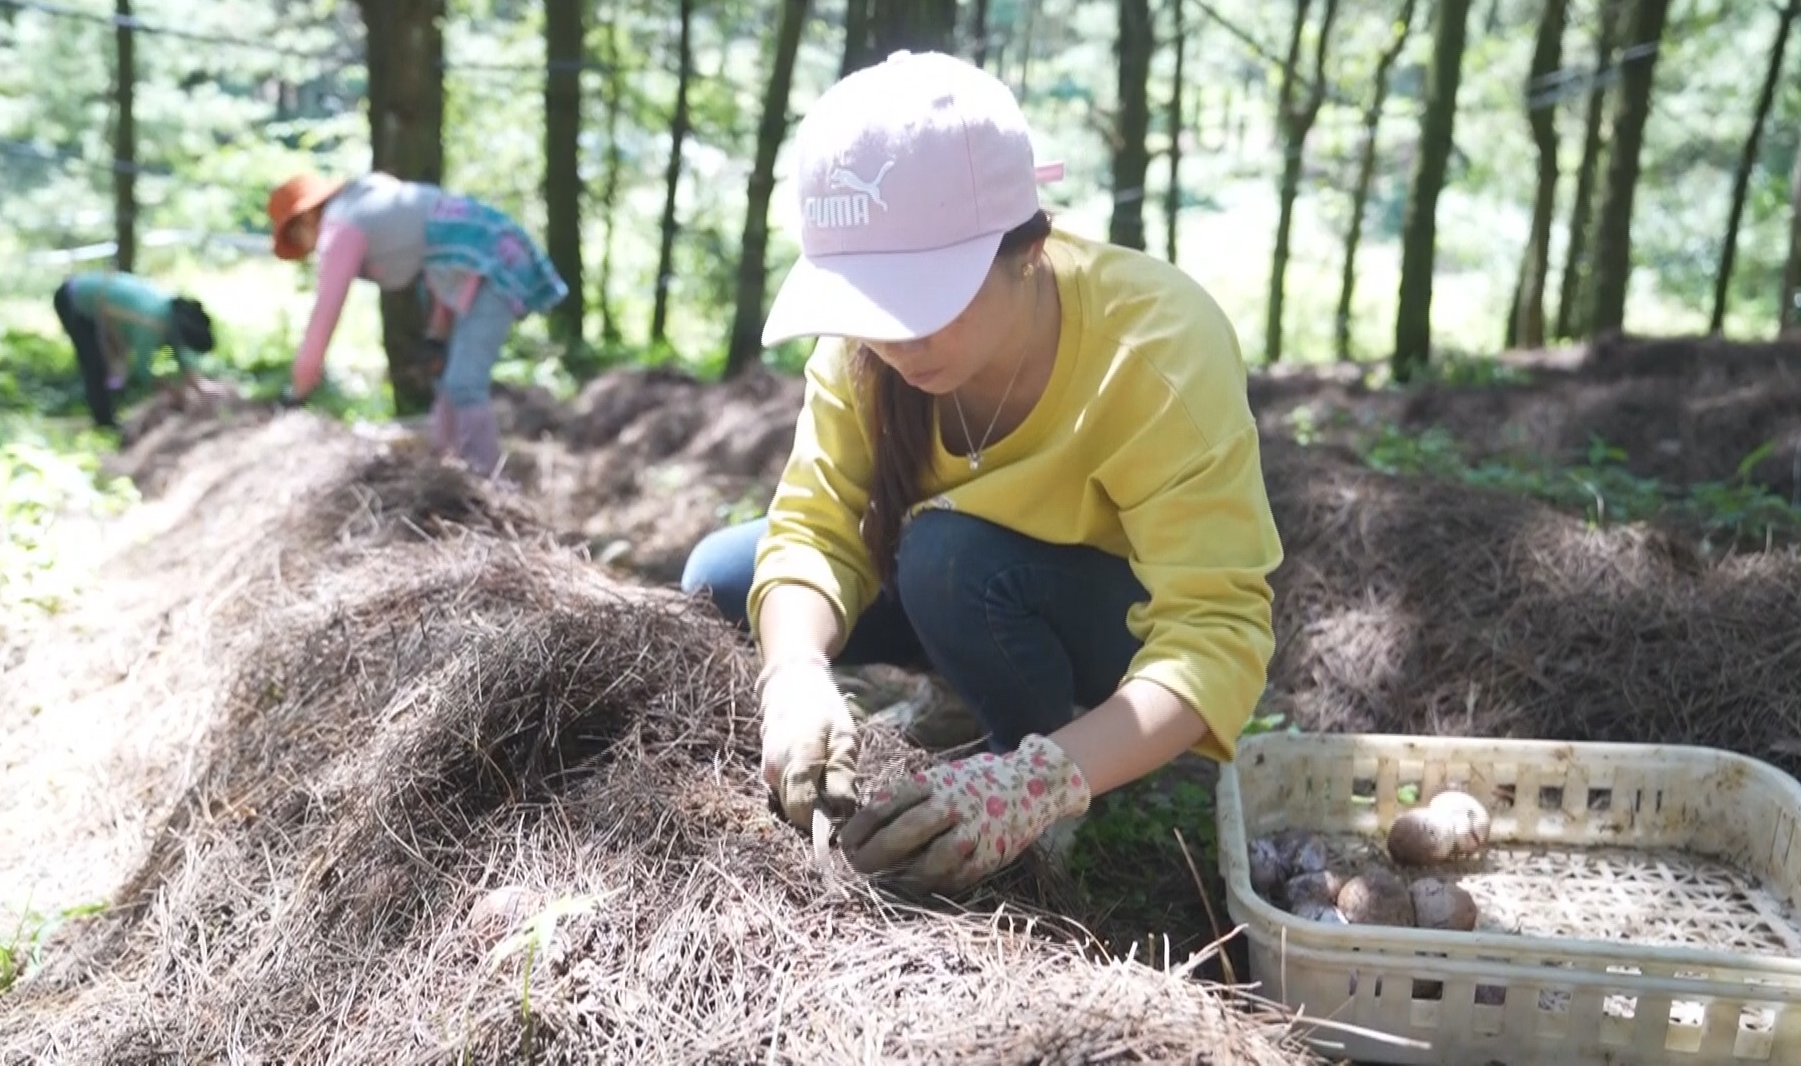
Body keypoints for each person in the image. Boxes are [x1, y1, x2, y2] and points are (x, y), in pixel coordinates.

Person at [678, 51, 1283, 897]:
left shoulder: (1156, 346)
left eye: (924, 301)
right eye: (868, 302)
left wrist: (1038, 783)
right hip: (961, 588)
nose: (894, 341)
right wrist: (796, 675)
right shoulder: (865, 345)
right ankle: (965, 700)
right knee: (722, 575)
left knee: (949, 556)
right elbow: (816, 528)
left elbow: (1215, 633)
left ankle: (1050, 757)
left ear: (1028, 249)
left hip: (1101, 629)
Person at [265, 171, 568, 476]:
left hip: (495, 261)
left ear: (304, 220)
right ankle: (447, 467)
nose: (302, 248)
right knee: (449, 384)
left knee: (464, 384)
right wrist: (437, 335)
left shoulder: (342, 227)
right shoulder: (367, 200)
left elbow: (325, 314)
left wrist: (298, 391)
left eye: (294, 237)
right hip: (486, 257)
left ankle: (488, 483)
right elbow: (441, 264)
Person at [52, 270, 217, 430]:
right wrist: (170, 390)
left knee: (109, 361)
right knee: (95, 363)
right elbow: (142, 369)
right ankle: (104, 422)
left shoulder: (168, 312)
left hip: (95, 297)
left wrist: (197, 382)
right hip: (72, 298)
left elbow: (179, 352)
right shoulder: (150, 322)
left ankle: (109, 407)